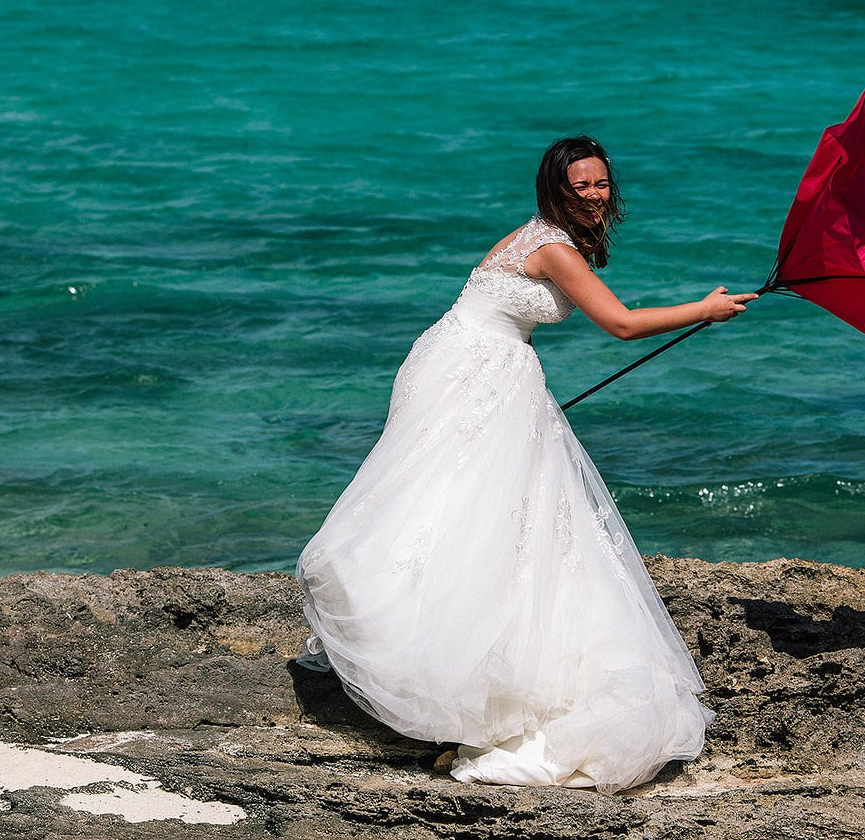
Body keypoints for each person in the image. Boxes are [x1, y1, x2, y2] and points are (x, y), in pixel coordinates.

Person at [296, 136, 758, 794]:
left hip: (468, 357)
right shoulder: (553, 247)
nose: (596, 195)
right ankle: (426, 651)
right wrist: (705, 309)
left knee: (465, 506)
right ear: (557, 190)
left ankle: (435, 641)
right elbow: (621, 324)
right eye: (583, 186)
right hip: (473, 370)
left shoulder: (543, 237)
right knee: (457, 504)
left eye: (602, 183)